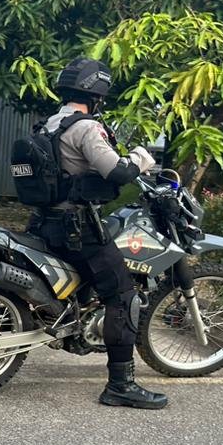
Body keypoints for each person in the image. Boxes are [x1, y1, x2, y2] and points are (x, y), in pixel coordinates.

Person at [29, 57, 168, 410]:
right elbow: (116, 172)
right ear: (97, 95)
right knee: (123, 296)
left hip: (43, 222)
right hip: (77, 231)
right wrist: (141, 158)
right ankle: (121, 385)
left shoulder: (48, 125)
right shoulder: (87, 128)